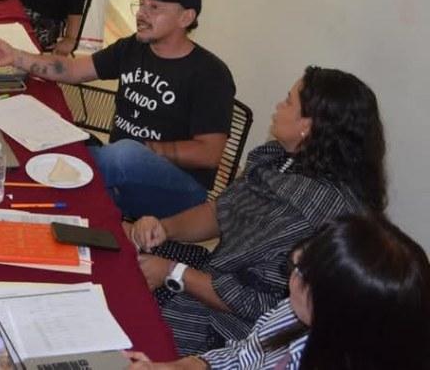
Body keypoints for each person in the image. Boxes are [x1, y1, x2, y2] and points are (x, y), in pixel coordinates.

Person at [126, 66, 387, 356]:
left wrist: (173, 272)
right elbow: (222, 210)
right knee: (124, 249)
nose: (279, 105)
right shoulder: (282, 160)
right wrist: (165, 228)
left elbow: (257, 302)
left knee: (128, 315)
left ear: (309, 125)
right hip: (213, 273)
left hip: (231, 329)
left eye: (288, 101)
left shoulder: (314, 212)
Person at [0, 0, 235, 219]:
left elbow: (209, 153)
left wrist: (143, 150)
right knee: (65, 148)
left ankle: (36, 179)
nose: (141, 13)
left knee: (122, 155)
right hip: (120, 168)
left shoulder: (210, 75)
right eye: (141, 4)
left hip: (180, 191)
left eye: (155, 7)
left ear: (186, 17)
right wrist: (16, 57)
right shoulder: (133, 47)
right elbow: (74, 69)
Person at [125, 213, 430, 369]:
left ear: (337, 311)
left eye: (303, 271)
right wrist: (189, 365)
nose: (293, 265)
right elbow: (241, 356)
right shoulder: (293, 312)